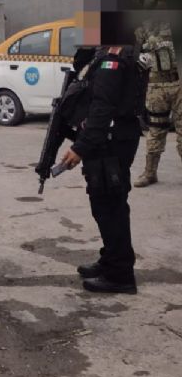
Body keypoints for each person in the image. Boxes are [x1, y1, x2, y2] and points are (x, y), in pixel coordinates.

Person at [59, 41, 146, 294]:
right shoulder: (108, 52)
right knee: (106, 205)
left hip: (110, 143)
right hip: (112, 140)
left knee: (111, 207)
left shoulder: (114, 58)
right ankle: (110, 260)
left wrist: (80, 148)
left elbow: (102, 108)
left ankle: (120, 275)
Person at [133, 20, 181, 187]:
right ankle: (150, 172)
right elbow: (132, 54)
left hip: (178, 84)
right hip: (155, 87)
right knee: (155, 130)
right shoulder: (142, 28)